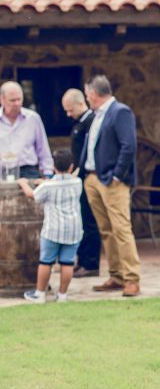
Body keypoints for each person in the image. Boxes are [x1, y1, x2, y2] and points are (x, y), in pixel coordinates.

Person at [81, 75, 140, 297]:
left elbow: (129, 146)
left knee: (121, 229)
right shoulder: (97, 115)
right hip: (93, 178)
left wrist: (116, 176)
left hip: (111, 181)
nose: (87, 98)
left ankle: (132, 278)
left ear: (94, 94)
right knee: (106, 230)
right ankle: (116, 275)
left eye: (87, 94)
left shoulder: (120, 112)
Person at [18, 149, 83, 303]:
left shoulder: (48, 187)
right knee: (67, 262)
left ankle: (40, 294)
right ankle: (62, 295)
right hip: (73, 230)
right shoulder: (77, 182)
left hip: (53, 230)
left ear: (53, 167)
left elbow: (32, 195)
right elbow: (65, 180)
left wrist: (23, 183)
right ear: (71, 167)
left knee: (46, 262)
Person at [0, 81, 54, 180]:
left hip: (28, 172)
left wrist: (47, 174)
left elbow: (43, 149)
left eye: (19, 99)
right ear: (2, 100)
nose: (16, 103)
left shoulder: (33, 118)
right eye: (12, 100)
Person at [61, 88, 101, 278]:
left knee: (90, 221)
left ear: (79, 103)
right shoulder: (79, 123)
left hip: (87, 177)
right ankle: (81, 259)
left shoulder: (91, 122)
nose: (68, 115)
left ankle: (91, 263)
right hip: (78, 178)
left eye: (70, 110)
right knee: (81, 221)